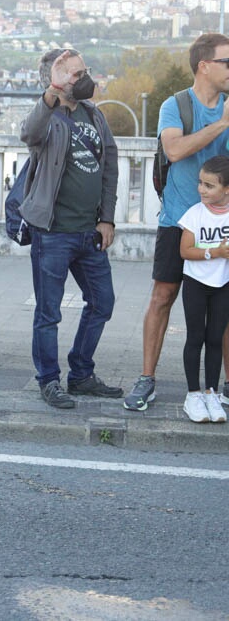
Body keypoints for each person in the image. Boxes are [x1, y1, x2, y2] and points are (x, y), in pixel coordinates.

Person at [126, 33, 229, 412]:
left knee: (223, 303)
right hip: (178, 221)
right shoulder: (176, 106)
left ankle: (224, 387)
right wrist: (221, 125)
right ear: (205, 65)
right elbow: (174, 148)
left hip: (221, 223)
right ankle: (146, 378)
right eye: (227, 62)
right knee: (163, 297)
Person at [19, 48, 122, 409]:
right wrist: (50, 94)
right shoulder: (48, 116)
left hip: (89, 233)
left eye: (84, 71)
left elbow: (110, 168)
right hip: (53, 233)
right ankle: (49, 380)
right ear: (58, 80)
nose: (84, 79)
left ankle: (81, 374)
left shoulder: (94, 115)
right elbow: (28, 134)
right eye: (76, 75)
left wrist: (106, 218)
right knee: (49, 311)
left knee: (102, 302)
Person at [177, 156, 229, 423]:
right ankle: (193, 395)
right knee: (195, 338)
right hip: (196, 285)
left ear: (226, 189)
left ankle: (211, 392)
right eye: (201, 183)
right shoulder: (195, 214)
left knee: (215, 339)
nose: (201, 189)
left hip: (223, 286)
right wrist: (215, 252)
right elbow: (185, 251)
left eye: (209, 185)